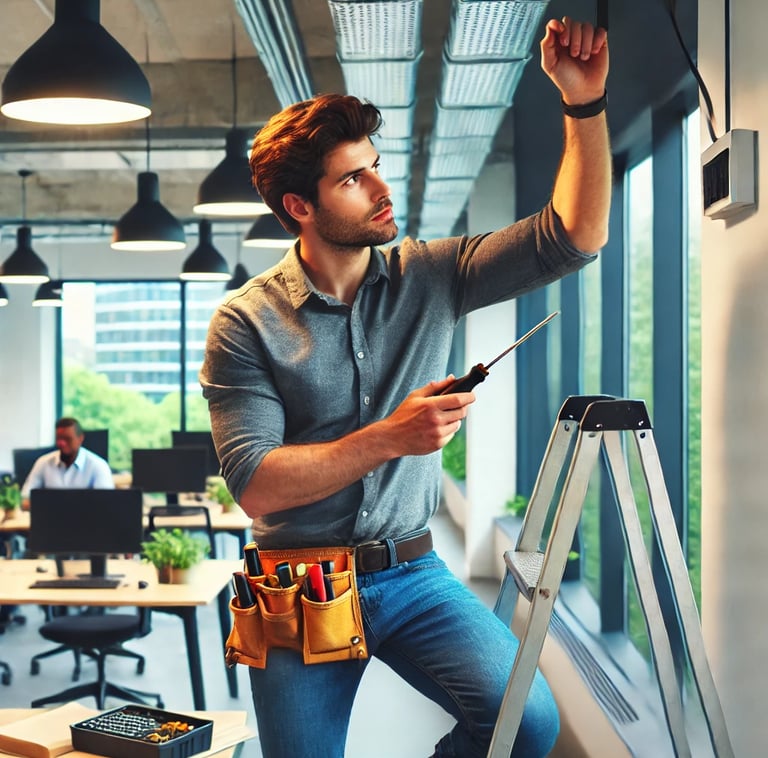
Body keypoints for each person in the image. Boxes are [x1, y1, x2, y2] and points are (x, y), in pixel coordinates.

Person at [201, 16, 610, 758]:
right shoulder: (245, 321)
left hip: (413, 570)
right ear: (301, 207)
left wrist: (582, 105)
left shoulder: (431, 272)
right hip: (296, 586)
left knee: (528, 724)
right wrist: (393, 435)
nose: (382, 187)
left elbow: (574, 236)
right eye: (354, 179)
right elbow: (255, 483)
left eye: (375, 164)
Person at [21, 417, 113, 508]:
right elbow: (25, 499)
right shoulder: (43, 462)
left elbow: (105, 505)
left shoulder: (98, 466)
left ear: (80, 439)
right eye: (59, 439)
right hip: (50, 519)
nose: (62, 443)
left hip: (85, 520)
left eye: (67, 439)